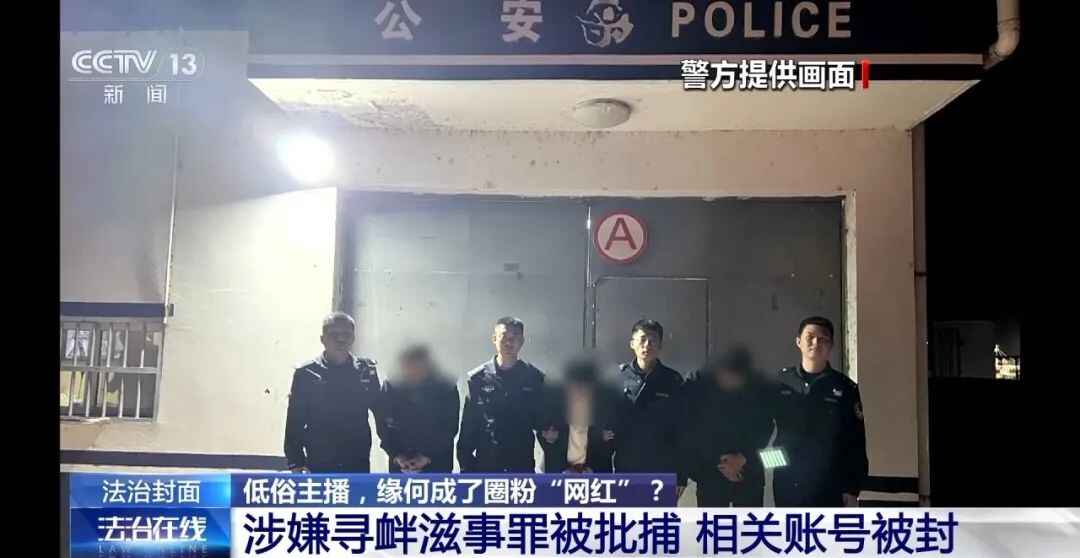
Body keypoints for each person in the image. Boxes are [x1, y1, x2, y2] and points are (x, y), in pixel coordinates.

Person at [772, 316, 869, 507]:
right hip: (788, 482)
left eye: (823, 338)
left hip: (830, 484)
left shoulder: (845, 387)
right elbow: (762, 428)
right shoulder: (780, 383)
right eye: (810, 337)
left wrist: (852, 489)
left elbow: (856, 440)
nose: (816, 342)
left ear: (831, 345)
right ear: (798, 341)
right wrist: (774, 464)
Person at [284, 312, 381, 473]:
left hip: (357, 460)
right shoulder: (306, 374)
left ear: (353, 338)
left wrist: (396, 452)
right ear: (322, 339)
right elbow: (295, 420)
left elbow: (382, 414)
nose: (340, 339)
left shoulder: (366, 371)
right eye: (334, 334)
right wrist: (296, 461)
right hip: (319, 460)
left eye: (346, 334)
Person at [682, 348, 775, 507]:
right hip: (709, 475)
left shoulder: (758, 383)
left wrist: (744, 458)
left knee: (749, 524)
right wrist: (712, 465)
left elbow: (766, 425)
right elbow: (686, 425)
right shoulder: (697, 380)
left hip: (748, 474)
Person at [457, 317, 546, 473]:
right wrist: (467, 468)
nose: (509, 342)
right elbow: (468, 428)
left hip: (521, 465)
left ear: (522, 341)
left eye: (515, 337)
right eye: (504, 337)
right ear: (494, 339)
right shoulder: (478, 379)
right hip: (486, 465)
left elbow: (542, 422)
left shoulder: (534, 378)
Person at [612, 319, 687, 498]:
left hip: (662, 468)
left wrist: (681, 475)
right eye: (642, 339)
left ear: (660, 345)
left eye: (653, 340)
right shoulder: (617, 378)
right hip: (626, 467)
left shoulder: (672, 380)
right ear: (632, 343)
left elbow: (683, 429)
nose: (647, 345)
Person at [375, 345, 460, 473]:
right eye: (408, 366)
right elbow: (383, 425)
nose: (413, 372)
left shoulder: (446, 387)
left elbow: (450, 427)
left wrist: (427, 456)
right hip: (401, 465)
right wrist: (397, 455)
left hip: (437, 463)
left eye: (418, 367)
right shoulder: (391, 386)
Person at [537, 358, 617, 474]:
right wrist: (550, 439)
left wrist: (590, 466)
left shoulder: (605, 408)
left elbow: (610, 441)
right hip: (561, 472)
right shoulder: (555, 407)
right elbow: (544, 433)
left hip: (596, 471)